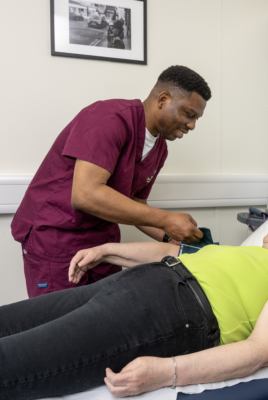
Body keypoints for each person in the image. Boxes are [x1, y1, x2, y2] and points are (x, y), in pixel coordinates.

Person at [0, 204, 268, 399]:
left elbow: (264, 350)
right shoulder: (241, 253)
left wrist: (167, 372)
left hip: (171, 313)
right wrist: (107, 250)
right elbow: (171, 250)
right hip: (139, 283)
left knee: (4, 360)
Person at [11, 66, 211, 298]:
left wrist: (172, 237)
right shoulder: (108, 118)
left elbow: (137, 205)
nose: (192, 125)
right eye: (189, 114)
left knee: (106, 319)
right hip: (56, 236)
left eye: (196, 118)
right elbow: (86, 194)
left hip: (101, 242)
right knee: (61, 326)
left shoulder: (160, 149)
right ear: (163, 100)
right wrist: (167, 220)